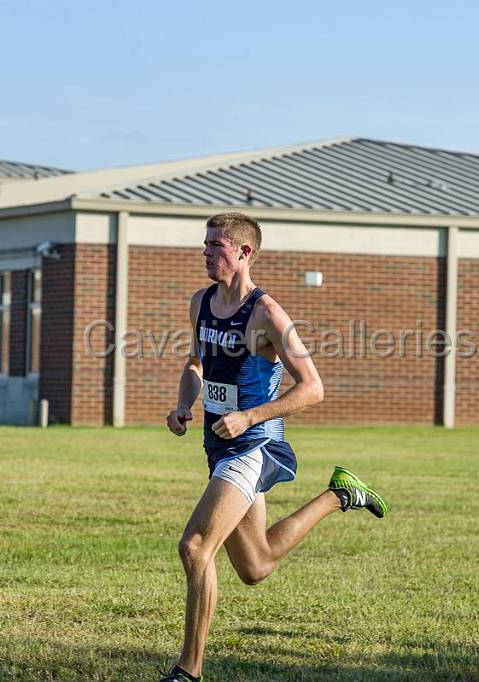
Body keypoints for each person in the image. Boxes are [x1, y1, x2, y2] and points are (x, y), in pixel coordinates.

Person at [159, 212, 388, 682]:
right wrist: (184, 404)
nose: (205, 252)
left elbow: (312, 388)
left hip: (255, 445)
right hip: (218, 444)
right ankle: (339, 495)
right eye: (204, 244)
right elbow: (196, 363)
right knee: (255, 565)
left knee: (195, 547)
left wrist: (249, 416)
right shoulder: (200, 302)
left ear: (244, 252)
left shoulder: (267, 314)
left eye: (216, 245)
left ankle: (189, 671)